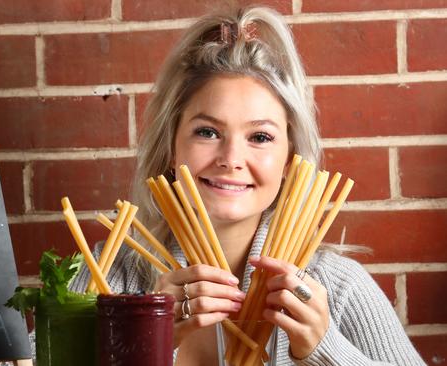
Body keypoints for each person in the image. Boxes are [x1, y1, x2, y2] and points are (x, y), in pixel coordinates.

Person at [70, 4, 426, 366]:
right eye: (207, 132)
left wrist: (326, 349)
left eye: (260, 136)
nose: (231, 158)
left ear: (290, 161)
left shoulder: (336, 286)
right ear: (170, 149)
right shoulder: (112, 269)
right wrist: (147, 341)